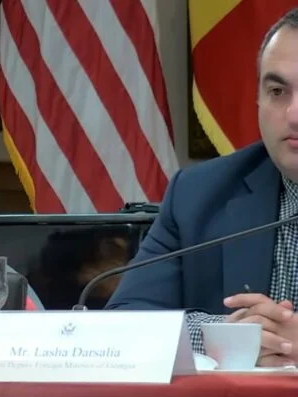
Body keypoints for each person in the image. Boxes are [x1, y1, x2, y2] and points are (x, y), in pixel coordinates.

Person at [106, 8, 298, 367]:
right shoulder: (199, 195)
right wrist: (227, 338)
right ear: (258, 98)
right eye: (277, 91)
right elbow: (124, 322)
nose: (293, 115)